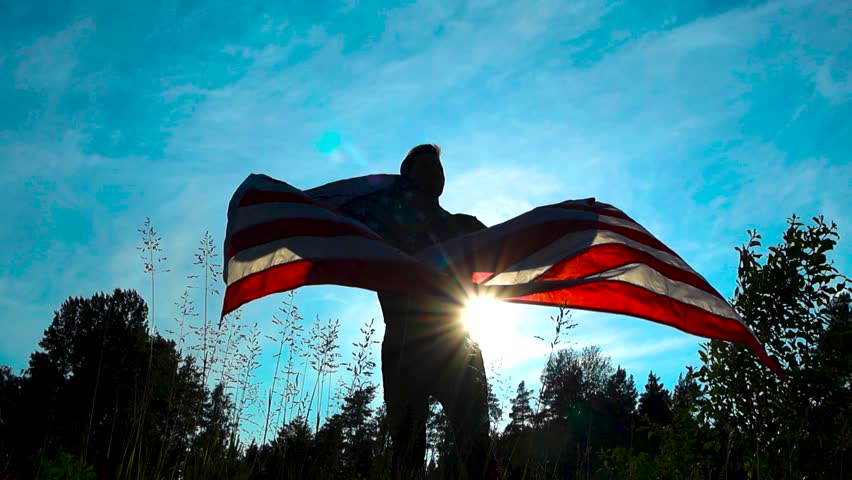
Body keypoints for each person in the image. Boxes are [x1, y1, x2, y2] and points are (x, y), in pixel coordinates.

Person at [376, 144, 496, 479]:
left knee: (477, 449)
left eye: (438, 169)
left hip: (456, 343)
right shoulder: (383, 227)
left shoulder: (464, 227)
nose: (435, 174)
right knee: (407, 452)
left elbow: (508, 250)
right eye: (426, 168)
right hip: (404, 346)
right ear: (405, 179)